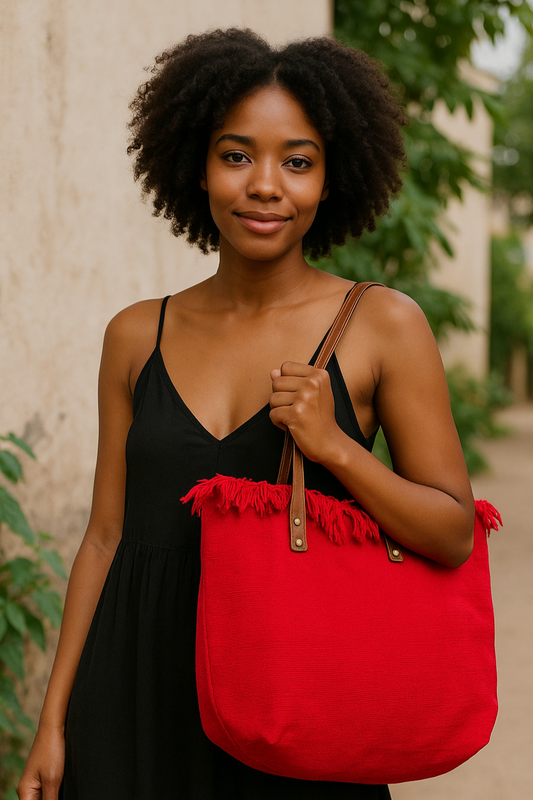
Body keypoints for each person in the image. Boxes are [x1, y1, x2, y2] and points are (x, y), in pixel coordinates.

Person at [17, 28, 475, 800]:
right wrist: (53, 721)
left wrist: (336, 447)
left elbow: (452, 532)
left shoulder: (383, 326)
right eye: (236, 156)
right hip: (133, 697)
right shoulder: (136, 334)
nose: (265, 185)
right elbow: (103, 537)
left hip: (293, 703)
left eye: (297, 161)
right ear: (196, 167)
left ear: (330, 178)